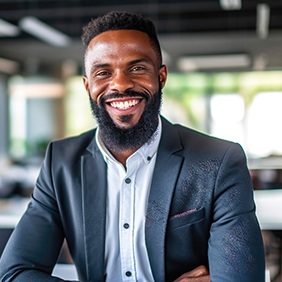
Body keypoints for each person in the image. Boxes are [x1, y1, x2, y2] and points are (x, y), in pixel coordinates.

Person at [0, 11, 265, 282]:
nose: (121, 84)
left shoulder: (219, 160)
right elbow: (14, 273)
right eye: (103, 72)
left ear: (161, 77)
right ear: (87, 85)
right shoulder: (61, 163)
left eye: (137, 68)